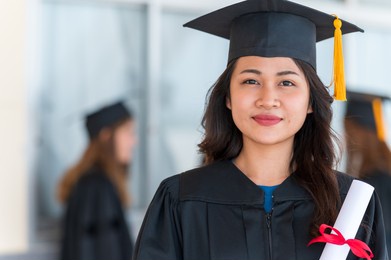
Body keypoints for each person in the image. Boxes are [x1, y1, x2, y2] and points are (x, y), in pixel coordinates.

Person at [133, 0, 388, 259]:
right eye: (250, 80)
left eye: (286, 82)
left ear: (311, 101)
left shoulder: (351, 203)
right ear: (228, 97)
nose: (267, 99)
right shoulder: (181, 200)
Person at [57, 101, 136, 260]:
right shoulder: (96, 187)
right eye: (128, 132)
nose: (134, 141)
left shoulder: (91, 182)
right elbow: (101, 250)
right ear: (106, 135)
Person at [344, 90, 391, 258]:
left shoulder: (374, 180)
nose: (346, 138)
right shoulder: (385, 172)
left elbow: (379, 234)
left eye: (349, 131)